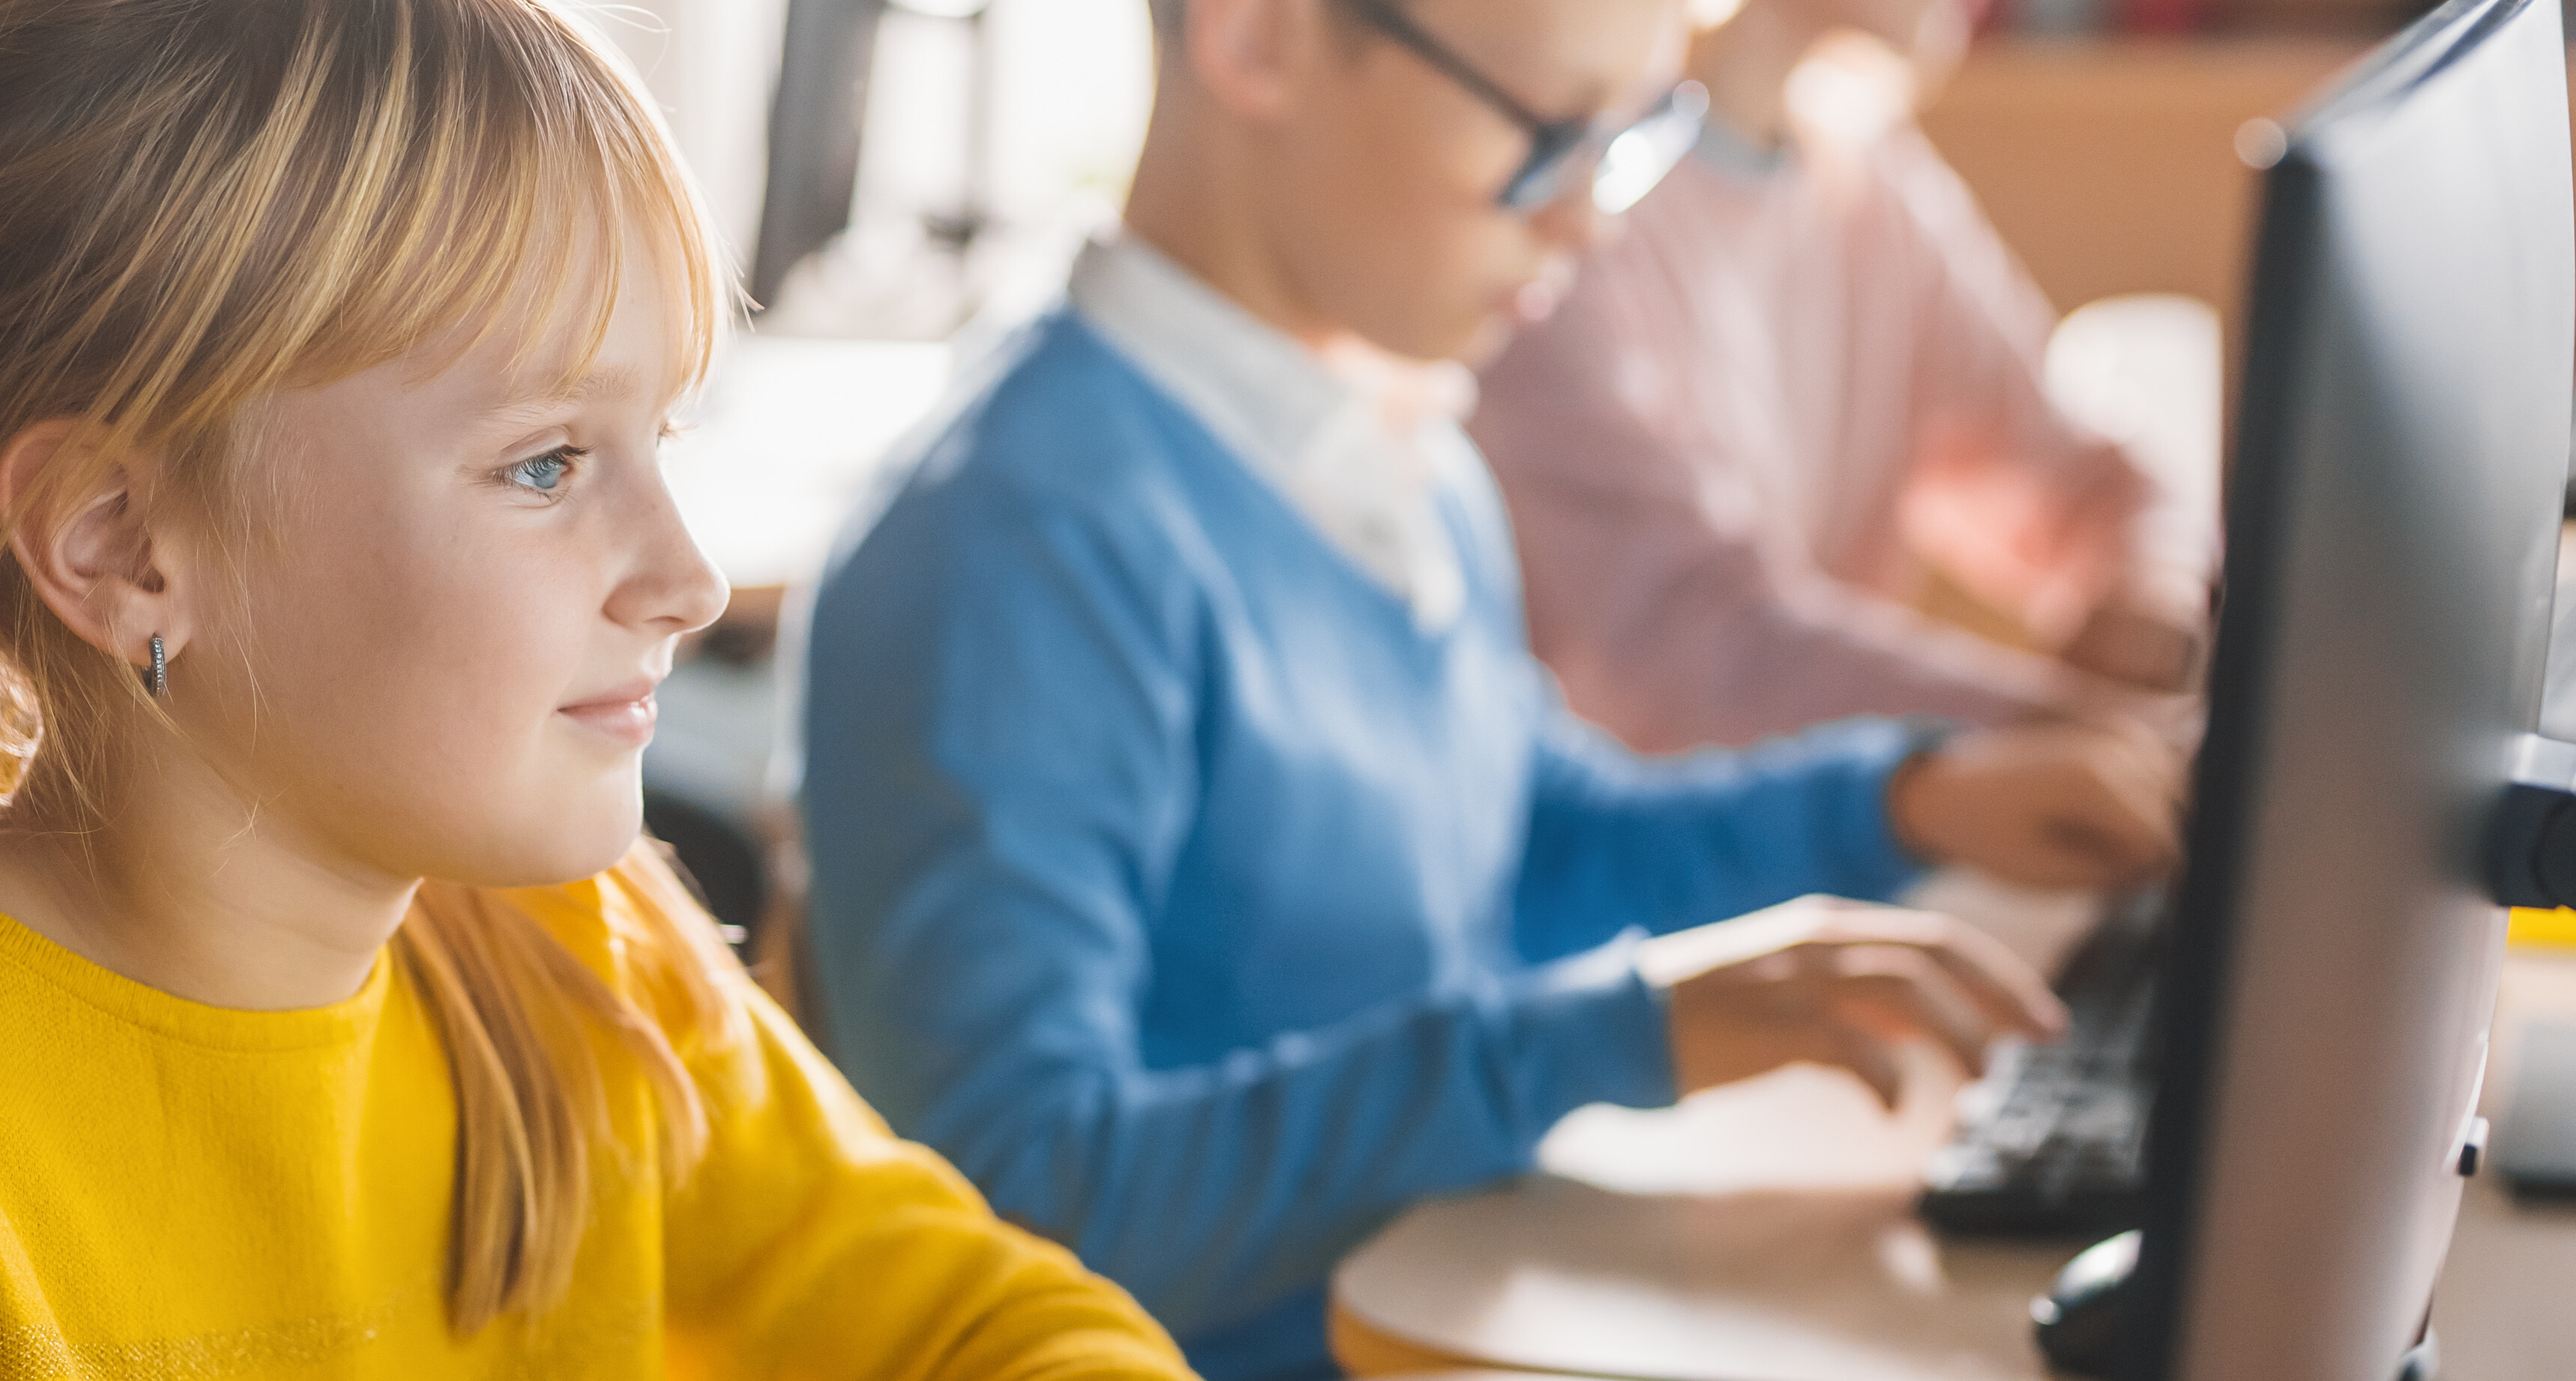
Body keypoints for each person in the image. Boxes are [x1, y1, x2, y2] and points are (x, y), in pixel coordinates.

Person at [0, 1, 1189, 1376]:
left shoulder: (567, 960)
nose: (682, 575)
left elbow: (993, 1323)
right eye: (545, 464)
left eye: (657, 437)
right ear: (115, 542)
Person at [792, 0, 2187, 1375]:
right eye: (1546, 135)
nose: (1586, 224)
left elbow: (1522, 834)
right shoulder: (1012, 546)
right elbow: (1020, 1202)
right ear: (1258, 38)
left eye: (1626, 139)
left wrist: (1898, 803)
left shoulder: (1404, 451)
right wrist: (1603, 1040)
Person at [1465, 0, 2213, 755]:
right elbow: (1694, 662)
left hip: (1843, 812)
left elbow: (2082, 477)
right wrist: (2091, 743)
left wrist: (2154, 594)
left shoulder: (1862, 166)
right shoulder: (1569, 217)